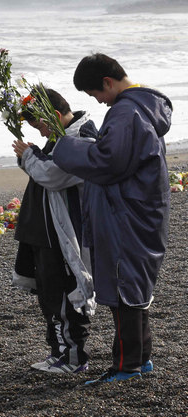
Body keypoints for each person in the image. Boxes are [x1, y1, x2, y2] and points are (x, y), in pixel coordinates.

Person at [52, 53, 172, 384]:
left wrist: (62, 146)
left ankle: (126, 366)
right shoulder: (141, 107)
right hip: (141, 210)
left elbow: (108, 161)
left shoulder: (126, 112)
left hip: (127, 215)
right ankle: (140, 361)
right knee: (133, 288)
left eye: (95, 95)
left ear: (108, 82)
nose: (98, 102)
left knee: (123, 290)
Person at [12, 88, 98, 374]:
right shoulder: (60, 138)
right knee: (48, 291)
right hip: (48, 230)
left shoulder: (81, 137)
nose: (38, 132)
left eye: (39, 125)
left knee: (63, 290)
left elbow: (54, 176)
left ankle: (73, 358)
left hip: (66, 231)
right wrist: (31, 158)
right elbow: (47, 171)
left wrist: (30, 156)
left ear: (56, 115)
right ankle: (59, 352)